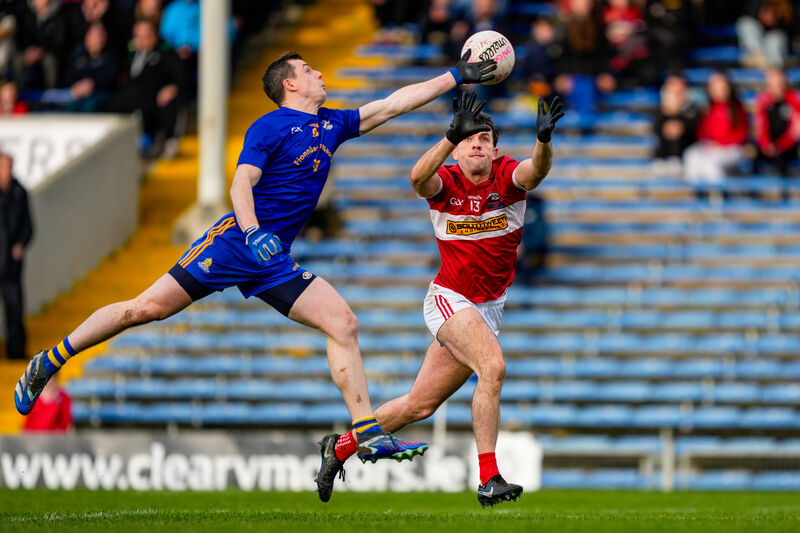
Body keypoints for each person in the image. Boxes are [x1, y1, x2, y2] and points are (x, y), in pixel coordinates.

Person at [14, 49, 497, 465]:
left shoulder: (332, 124)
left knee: (343, 323)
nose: (320, 75)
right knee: (145, 309)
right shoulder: (270, 125)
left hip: (274, 260)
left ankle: (366, 432)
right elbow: (240, 182)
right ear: (291, 84)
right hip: (233, 245)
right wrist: (251, 232)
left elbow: (392, 104)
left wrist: (456, 76)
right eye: (310, 70)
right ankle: (48, 361)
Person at [315, 93, 564, 507]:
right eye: (470, 138)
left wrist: (544, 140)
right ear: (458, 146)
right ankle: (489, 478)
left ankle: (338, 447)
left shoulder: (507, 176)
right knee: (494, 366)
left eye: (484, 138)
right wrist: (451, 134)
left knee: (419, 405)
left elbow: (536, 172)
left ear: (495, 148)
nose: (477, 144)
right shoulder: (445, 180)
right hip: (449, 300)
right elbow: (416, 178)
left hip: (487, 310)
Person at [109, 19, 185, 159]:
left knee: (165, 104)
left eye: (147, 36)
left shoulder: (166, 54)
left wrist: (173, 88)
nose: (143, 41)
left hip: (153, 99)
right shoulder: (129, 57)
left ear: (155, 35)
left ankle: (164, 141)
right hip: (131, 100)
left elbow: (179, 77)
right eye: (139, 37)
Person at [683, 71, 748, 185]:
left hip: (731, 149)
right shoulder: (708, 108)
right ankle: (696, 194)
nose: (718, 89)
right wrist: (707, 141)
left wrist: (720, 143)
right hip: (711, 148)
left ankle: (719, 196)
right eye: (714, 86)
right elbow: (702, 132)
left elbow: (741, 135)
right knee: (692, 156)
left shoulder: (736, 109)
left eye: (720, 85)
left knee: (710, 164)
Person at [0, 153, 33, 360]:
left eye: (8, 167)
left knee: (15, 307)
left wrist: (21, 244)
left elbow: (29, 226)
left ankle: (16, 351)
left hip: (11, 264)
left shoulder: (19, 193)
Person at [753, 68, 800, 176]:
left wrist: (779, 146)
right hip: (768, 147)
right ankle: (754, 191)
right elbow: (760, 127)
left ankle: (785, 191)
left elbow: (795, 131)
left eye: (779, 82)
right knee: (754, 162)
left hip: (786, 148)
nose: (776, 86)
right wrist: (766, 145)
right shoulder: (763, 101)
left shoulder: (793, 100)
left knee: (782, 164)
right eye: (773, 82)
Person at [65, 22, 118, 113]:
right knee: (72, 107)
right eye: (92, 36)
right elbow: (69, 77)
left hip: (101, 93)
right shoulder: (78, 57)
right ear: (87, 38)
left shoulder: (111, 56)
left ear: (104, 38)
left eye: (99, 36)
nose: (96, 40)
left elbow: (110, 78)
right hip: (80, 93)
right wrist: (79, 86)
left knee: (89, 105)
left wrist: (92, 84)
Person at [653, 74, 700, 168]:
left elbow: (686, 130)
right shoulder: (659, 110)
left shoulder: (693, 110)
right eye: (672, 86)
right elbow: (659, 130)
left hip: (688, 160)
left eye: (678, 86)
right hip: (662, 160)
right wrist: (669, 110)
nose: (675, 91)